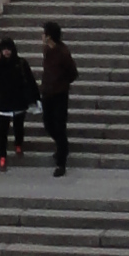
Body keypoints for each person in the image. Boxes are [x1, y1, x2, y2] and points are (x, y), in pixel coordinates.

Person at [0, 29, 37, 168]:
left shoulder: (21, 63)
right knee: (2, 131)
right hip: (3, 102)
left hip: (18, 101)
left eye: (8, 49)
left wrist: (34, 97)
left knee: (18, 126)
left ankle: (18, 143)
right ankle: (2, 155)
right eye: (4, 49)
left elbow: (30, 80)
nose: (6, 52)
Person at [37, 20, 78, 176]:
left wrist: (61, 83)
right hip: (47, 93)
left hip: (60, 94)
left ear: (49, 36)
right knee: (48, 124)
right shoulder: (47, 50)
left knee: (59, 126)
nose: (42, 36)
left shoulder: (63, 52)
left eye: (44, 33)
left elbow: (73, 73)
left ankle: (61, 162)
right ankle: (62, 148)